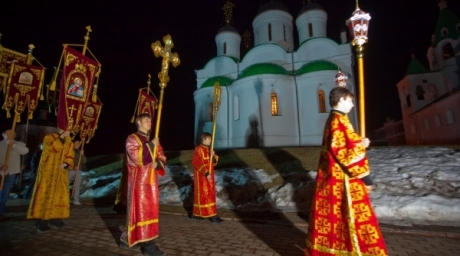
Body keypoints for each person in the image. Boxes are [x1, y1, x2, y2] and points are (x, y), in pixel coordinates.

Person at [304, 87, 388, 255]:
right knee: (354, 221)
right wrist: (366, 177)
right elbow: (343, 153)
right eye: (350, 101)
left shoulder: (338, 119)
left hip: (337, 180)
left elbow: (344, 144)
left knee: (340, 222)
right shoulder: (338, 121)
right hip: (345, 181)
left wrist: (358, 142)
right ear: (341, 100)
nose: (352, 105)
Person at [119, 113, 167, 256]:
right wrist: (151, 145)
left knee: (150, 213)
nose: (149, 122)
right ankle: (149, 247)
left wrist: (158, 163)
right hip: (139, 183)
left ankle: (129, 239)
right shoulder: (132, 138)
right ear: (138, 122)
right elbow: (136, 158)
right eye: (146, 120)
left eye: (150, 120)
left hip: (151, 183)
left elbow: (162, 156)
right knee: (142, 213)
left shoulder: (152, 140)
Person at [27, 130, 75, 233]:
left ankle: (55, 217)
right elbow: (52, 148)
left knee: (58, 194)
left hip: (61, 173)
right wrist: (61, 137)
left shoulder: (69, 141)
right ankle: (42, 221)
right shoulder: (49, 137)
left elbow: (70, 154)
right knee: (46, 195)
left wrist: (66, 163)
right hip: (48, 172)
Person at [191, 132, 223, 223]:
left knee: (210, 195)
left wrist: (212, 156)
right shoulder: (198, 149)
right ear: (204, 139)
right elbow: (195, 161)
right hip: (202, 177)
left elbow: (213, 162)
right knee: (204, 195)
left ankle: (207, 213)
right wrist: (205, 173)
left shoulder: (209, 150)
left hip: (210, 177)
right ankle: (205, 214)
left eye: (210, 139)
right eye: (209, 139)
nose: (210, 141)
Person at [0, 130, 29, 220]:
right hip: (1, 171)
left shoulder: (18, 144)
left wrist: (14, 145)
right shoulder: (0, 144)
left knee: (5, 193)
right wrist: (0, 167)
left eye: (12, 133)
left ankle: (0, 211)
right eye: (8, 133)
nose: (10, 134)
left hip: (11, 172)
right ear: (3, 134)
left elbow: (25, 151)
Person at [68, 138, 86, 205]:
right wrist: (74, 166)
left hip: (78, 171)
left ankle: (76, 200)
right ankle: (65, 198)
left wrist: (82, 154)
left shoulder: (80, 151)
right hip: (70, 170)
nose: (79, 145)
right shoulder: (70, 151)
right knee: (66, 184)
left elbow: (84, 161)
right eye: (77, 143)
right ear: (73, 144)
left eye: (79, 143)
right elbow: (68, 160)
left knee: (77, 185)